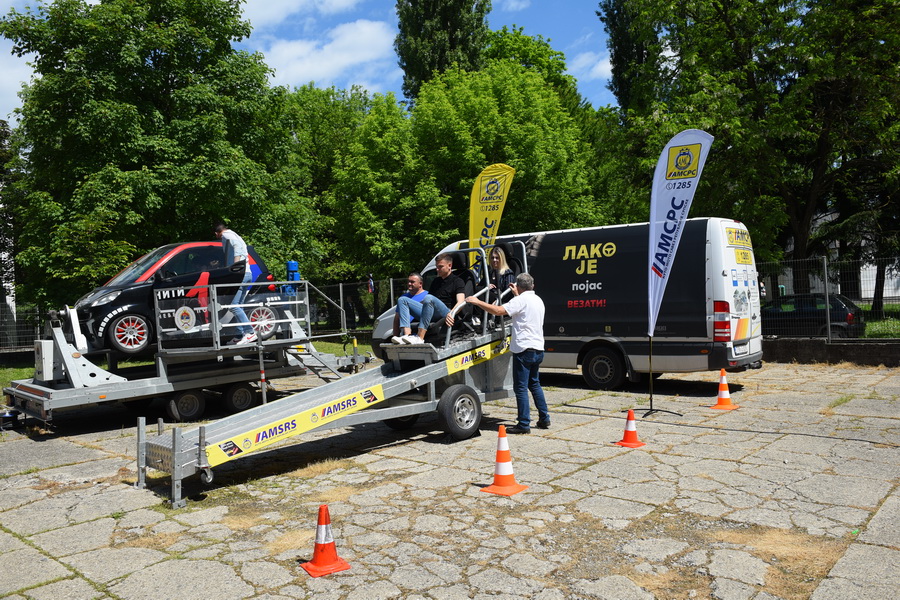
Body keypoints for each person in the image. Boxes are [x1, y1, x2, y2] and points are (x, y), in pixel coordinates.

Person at [465, 272, 549, 433]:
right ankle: (544, 418)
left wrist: (478, 301)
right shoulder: (538, 300)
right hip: (538, 347)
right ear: (532, 285)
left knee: (521, 387)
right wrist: (517, 294)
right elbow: (523, 310)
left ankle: (524, 424)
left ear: (518, 286)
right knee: (535, 384)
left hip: (524, 349)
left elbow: (498, 311)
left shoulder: (520, 300)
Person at [393, 253, 466, 344]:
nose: (437, 269)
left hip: (446, 312)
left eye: (440, 267)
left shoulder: (458, 281)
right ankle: (407, 336)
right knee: (402, 300)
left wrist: (451, 314)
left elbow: (461, 301)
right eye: (436, 267)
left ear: (449, 265)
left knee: (429, 298)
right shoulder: (436, 281)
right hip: (431, 311)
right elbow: (427, 302)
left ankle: (420, 337)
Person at [214, 222, 257, 345]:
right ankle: (239, 335)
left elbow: (237, 248)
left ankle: (250, 332)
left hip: (240, 274)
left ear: (217, 233)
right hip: (247, 273)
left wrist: (235, 268)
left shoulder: (226, 236)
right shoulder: (235, 234)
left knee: (233, 306)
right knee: (239, 305)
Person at [391, 272, 428, 340]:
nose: (409, 284)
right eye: (408, 281)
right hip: (405, 336)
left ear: (420, 284)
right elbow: (397, 319)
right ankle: (407, 335)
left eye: (412, 282)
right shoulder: (403, 298)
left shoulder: (427, 296)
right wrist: (395, 336)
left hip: (420, 334)